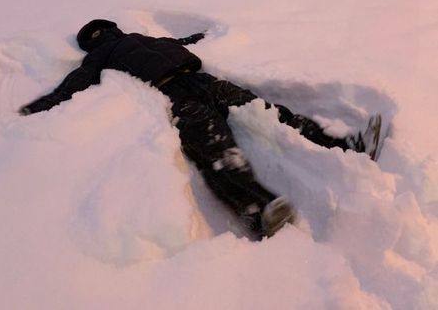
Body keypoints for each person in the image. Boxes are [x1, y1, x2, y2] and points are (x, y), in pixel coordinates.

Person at [19, 19, 382, 240]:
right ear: (97, 40)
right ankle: (260, 210)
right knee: (215, 149)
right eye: (100, 33)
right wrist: (42, 105)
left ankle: (346, 145)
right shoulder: (100, 57)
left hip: (199, 80)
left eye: (104, 30)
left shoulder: (144, 39)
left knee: (269, 111)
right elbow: (76, 83)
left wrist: (203, 35)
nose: (104, 35)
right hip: (175, 91)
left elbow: (181, 43)